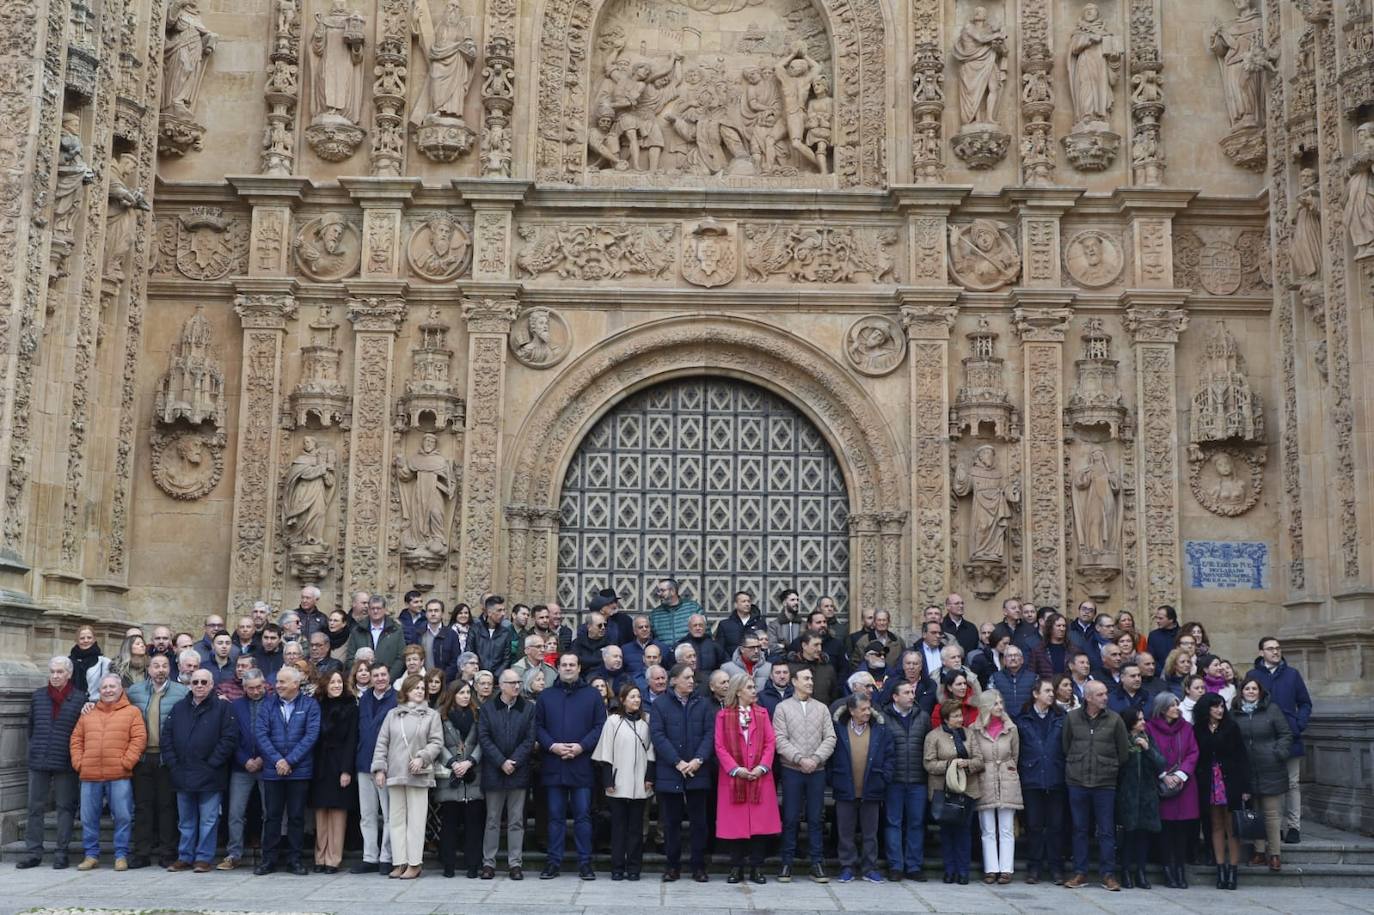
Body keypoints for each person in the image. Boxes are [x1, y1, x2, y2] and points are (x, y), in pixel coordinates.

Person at [535, 652, 607, 880]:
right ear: (558, 668)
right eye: (564, 664)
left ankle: (585, 863)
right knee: (555, 817)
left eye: (572, 664)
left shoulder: (592, 695)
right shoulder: (546, 696)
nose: (568, 668)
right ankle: (553, 862)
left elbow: (599, 726)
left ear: (579, 668)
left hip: (582, 764)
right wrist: (552, 746)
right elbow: (537, 727)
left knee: (583, 817)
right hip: (554, 763)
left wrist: (581, 746)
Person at [161, 668, 237, 872]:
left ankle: (203, 858)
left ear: (212, 685)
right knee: (186, 821)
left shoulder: (222, 708)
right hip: (182, 773)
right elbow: (166, 738)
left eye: (204, 682)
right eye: (196, 682)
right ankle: (185, 856)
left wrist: (213, 763)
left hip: (211, 774)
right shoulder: (178, 708)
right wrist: (173, 764)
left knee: (209, 820)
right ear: (190, 685)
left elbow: (228, 739)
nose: (200, 686)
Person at [70, 674, 146, 871]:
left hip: (119, 774)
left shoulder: (132, 712)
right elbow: (76, 740)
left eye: (112, 686)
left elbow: (138, 739)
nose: (108, 690)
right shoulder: (88, 713)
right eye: (104, 687)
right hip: (90, 774)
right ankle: (91, 855)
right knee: (88, 818)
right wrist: (80, 763)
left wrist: (126, 763)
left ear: (121, 689)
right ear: (99, 690)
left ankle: (121, 855)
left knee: (122, 816)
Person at [372, 673, 443, 879]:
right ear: (406, 691)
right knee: (396, 820)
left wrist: (422, 758)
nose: (420, 691)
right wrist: (379, 769)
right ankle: (399, 862)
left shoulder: (432, 715)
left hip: (418, 774)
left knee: (417, 820)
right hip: (395, 773)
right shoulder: (392, 714)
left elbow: (436, 743)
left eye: (422, 688)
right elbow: (382, 743)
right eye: (416, 688)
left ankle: (414, 863)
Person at [18, 657, 86, 870]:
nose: (55, 676)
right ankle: (33, 852)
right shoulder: (38, 697)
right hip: (39, 759)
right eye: (53, 672)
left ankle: (61, 852)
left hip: (66, 760)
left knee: (65, 807)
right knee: (34, 807)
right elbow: (31, 727)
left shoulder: (80, 698)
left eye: (60, 672)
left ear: (69, 674)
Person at [1061, 680, 1130, 890]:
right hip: (1077, 781)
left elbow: (1123, 752)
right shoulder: (1072, 718)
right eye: (1100, 694)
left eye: (1105, 693)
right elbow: (1066, 746)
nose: (1105, 697)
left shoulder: (1115, 719)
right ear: (1088, 697)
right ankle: (1080, 872)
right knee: (1079, 828)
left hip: (1104, 783)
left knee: (1106, 830)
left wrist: (1109, 767)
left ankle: (1108, 874)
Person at [650, 663, 714, 882]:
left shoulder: (703, 704)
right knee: (671, 823)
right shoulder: (660, 704)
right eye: (686, 677)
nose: (691, 681)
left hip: (698, 770)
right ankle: (672, 866)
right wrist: (677, 762)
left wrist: (697, 760)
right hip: (670, 771)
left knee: (699, 823)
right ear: (674, 680)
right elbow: (658, 736)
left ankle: (698, 866)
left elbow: (709, 735)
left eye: (692, 677)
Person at [714, 672, 780, 885]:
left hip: (759, 777)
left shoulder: (762, 713)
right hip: (734, 779)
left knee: (760, 826)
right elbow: (720, 746)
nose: (754, 691)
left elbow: (771, 743)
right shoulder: (723, 716)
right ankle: (736, 867)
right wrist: (735, 769)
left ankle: (757, 867)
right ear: (739, 690)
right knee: (736, 827)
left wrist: (762, 767)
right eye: (750, 687)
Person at [772, 666, 836, 883]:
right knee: (790, 818)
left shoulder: (822, 708)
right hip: (792, 771)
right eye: (806, 678)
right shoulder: (782, 708)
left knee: (816, 818)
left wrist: (816, 759)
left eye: (811, 678)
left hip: (817, 771)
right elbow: (779, 739)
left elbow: (830, 738)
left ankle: (816, 863)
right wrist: (800, 759)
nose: (810, 682)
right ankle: (786, 862)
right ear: (794, 681)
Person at [254, 666, 320, 876]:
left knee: (296, 817)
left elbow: (311, 736)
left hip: (299, 770)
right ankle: (269, 860)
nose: (278, 685)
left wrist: (289, 761)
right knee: (272, 816)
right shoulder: (267, 705)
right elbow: (261, 735)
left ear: (296, 684)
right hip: (274, 771)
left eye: (283, 682)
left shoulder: (310, 705)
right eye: (278, 681)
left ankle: (295, 860)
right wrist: (278, 761)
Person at [1246, 635, 1312, 844]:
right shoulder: (1253, 675)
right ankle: (1271, 827)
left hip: (1290, 736)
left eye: (1278, 648)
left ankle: (1293, 827)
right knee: (1267, 785)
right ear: (1261, 652)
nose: (1275, 652)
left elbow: (1305, 703)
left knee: (1292, 783)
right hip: (1263, 739)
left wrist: (1298, 723)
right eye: (1270, 648)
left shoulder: (1292, 675)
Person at [125, 654, 187, 868]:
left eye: (164, 666)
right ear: (149, 669)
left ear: (170, 669)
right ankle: (141, 852)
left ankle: (167, 852)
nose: (160, 670)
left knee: (167, 806)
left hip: (166, 757)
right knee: (142, 806)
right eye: (156, 666)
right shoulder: (135, 691)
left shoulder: (181, 692)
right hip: (142, 757)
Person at [592, 683, 655, 881]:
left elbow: (651, 753)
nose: (636, 700)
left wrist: (649, 778)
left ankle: (634, 867)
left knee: (636, 828)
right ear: (623, 699)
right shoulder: (613, 722)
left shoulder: (646, 723)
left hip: (640, 784)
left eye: (638, 696)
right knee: (618, 828)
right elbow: (605, 751)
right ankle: (617, 867)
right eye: (632, 696)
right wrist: (608, 780)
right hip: (618, 782)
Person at [477, 668, 535, 879]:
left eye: (519, 682)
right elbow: (484, 738)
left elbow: (530, 739)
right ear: (501, 686)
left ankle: (515, 864)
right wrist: (501, 761)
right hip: (494, 770)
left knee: (516, 820)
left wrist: (514, 761)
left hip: (518, 772)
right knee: (492, 819)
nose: (517, 686)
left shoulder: (527, 708)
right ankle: (488, 863)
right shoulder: (488, 708)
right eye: (512, 683)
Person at [828, 693, 892, 884]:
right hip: (845, 788)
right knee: (845, 831)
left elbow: (890, 756)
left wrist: (883, 778)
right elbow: (830, 758)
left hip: (872, 788)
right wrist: (834, 779)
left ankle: (869, 868)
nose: (867, 712)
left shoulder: (880, 729)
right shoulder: (838, 729)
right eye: (863, 709)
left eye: (868, 708)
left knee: (870, 833)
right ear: (852, 711)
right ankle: (847, 866)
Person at [1233, 675, 1292, 871]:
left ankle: (1274, 853)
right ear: (1241, 692)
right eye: (1247, 689)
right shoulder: (1235, 713)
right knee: (1255, 814)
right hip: (1247, 769)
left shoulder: (1271, 710)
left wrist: (1278, 753)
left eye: (1254, 689)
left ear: (1260, 692)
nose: (1250, 692)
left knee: (1271, 814)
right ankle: (1258, 852)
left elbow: (1285, 734)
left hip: (1271, 767)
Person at [1194, 691, 1251, 890]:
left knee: (1231, 827)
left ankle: (1233, 870)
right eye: (1215, 706)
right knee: (1215, 825)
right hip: (1208, 781)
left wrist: (1245, 787)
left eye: (1221, 706)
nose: (1219, 710)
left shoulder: (1231, 727)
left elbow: (1242, 757)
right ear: (1206, 709)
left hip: (1230, 781)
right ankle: (1220, 869)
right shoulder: (1199, 729)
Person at [924, 697, 983, 884]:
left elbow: (980, 760)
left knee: (963, 832)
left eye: (961, 715)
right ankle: (949, 870)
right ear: (946, 718)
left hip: (967, 790)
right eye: (956, 716)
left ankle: (963, 871)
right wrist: (950, 765)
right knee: (947, 833)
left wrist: (966, 764)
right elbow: (929, 763)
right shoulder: (933, 736)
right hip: (944, 792)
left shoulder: (970, 734)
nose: (960, 719)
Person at [1145, 691, 1199, 888]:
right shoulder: (1149, 728)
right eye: (1172, 705)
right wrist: (1163, 776)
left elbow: (1193, 752)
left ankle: (1180, 870)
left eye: (1177, 704)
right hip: (1161, 785)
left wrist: (1180, 775)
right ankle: (1168, 870)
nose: (1176, 708)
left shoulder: (1187, 728)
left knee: (1182, 831)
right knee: (1166, 831)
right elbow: (1150, 753)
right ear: (1162, 708)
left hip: (1184, 785)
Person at [1016, 678, 1065, 884]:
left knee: (1056, 826)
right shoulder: (1023, 719)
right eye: (1047, 691)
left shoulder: (1061, 718)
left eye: (1052, 691)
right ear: (1036, 694)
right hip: (1032, 778)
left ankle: (1056, 868)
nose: (1052, 694)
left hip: (1056, 778)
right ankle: (1033, 868)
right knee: (1034, 826)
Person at [882, 678, 932, 881]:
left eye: (912, 692)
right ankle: (895, 866)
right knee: (893, 823)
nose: (912, 696)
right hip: (894, 780)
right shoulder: (883, 717)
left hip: (918, 780)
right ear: (895, 696)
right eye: (907, 693)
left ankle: (914, 866)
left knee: (916, 823)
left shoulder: (923, 717)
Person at [970, 688, 1020, 884]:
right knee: (987, 828)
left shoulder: (1011, 728)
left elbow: (1015, 755)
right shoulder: (975, 730)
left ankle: (1006, 869)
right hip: (985, 779)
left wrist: (1008, 771)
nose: (1000, 707)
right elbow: (975, 754)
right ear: (986, 707)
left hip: (1007, 779)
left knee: (1006, 827)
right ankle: (991, 868)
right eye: (995, 703)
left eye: (1001, 703)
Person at [435, 680, 484, 879]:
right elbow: (437, 743)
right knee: (449, 824)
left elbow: (483, 741)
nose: (465, 696)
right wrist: (453, 762)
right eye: (461, 692)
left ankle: (473, 865)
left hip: (474, 775)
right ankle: (448, 865)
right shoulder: (440, 716)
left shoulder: (479, 715)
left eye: (467, 692)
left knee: (474, 824)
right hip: (450, 776)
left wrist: (471, 761)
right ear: (452, 694)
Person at [310, 668, 358, 874]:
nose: (337, 685)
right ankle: (319, 857)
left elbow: (351, 741)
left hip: (340, 763)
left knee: (338, 813)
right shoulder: (316, 706)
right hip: (320, 764)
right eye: (332, 682)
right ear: (325, 685)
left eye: (340, 682)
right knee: (321, 812)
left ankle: (333, 859)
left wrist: (346, 770)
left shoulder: (351, 707)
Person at [220, 668, 267, 870]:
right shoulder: (236, 706)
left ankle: (268, 852)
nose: (256, 691)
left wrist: (264, 758)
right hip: (241, 766)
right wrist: (244, 759)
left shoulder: (273, 703)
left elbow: (276, 734)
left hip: (268, 765)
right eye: (251, 688)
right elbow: (231, 737)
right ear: (244, 688)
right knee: (236, 812)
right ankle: (234, 853)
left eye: (259, 687)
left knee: (269, 812)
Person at [352, 661, 396, 874]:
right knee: (367, 814)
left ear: (389, 676)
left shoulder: (397, 699)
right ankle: (370, 856)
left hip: (387, 765)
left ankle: (387, 857)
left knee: (389, 813)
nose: (379, 678)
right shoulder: (363, 699)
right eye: (375, 675)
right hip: (363, 762)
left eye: (383, 674)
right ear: (369, 678)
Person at [1116, 708, 1164, 889]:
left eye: (1143, 719)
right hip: (1128, 794)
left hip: (1146, 794)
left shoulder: (1148, 739)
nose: (1143, 722)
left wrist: (1147, 749)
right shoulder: (1122, 740)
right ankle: (1126, 870)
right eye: (1139, 720)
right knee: (1129, 833)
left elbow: (1160, 763)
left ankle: (1141, 872)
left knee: (1144, 834)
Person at [347, 595, 405, 679]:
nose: (375, 611)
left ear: (384, 609)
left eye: (378, 608)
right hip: (363, 682)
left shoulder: (396, 630)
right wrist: (361, 676)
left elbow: (401, 657)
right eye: (372, 608)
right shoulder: (358, 630)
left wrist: (388, 677)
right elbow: (350, 658)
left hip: (387, 680)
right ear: (368, 610)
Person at [878, 649, 937, 714]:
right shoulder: (892, 683)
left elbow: (926, 707)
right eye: (908, 663)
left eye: (915, 664)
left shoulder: (929, 685)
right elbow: (884, 705)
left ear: (920, 667)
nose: (911, 667)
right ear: (903, 666)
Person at [787, 632, 838, 706]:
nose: (819, 649)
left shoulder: (828, 669)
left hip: (822, 713)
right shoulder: (791, 668)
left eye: (820, 645)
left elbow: (834, 695)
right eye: (816, 645)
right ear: (804, 645)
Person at [651, 577, 702, 646]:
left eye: (662, 591)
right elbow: (651, 640)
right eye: (659, 591)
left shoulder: (693, 608)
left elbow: (705, 634)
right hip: (665, 655)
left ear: (672, 591)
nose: (659, 594)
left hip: (689, 654)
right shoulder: (655, 615)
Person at [715, 590, 764, 659]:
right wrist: (729, 663)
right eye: (743, 601)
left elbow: (764, 646)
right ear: (736, 604)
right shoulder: (725, 625)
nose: (747, 604)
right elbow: (720, 648)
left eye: (749, 601)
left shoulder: (760, 623)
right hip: (731, 665)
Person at [991, 644, 1035, 715]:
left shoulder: (1034, 678)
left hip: (1028, 720)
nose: (1013, 658)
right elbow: (990, 701)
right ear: (1004, 661)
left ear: (1022, 660)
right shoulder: (995, 677)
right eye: (1009, 656)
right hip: (1003, 720)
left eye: (1016, 655)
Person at [1029, 612, 1069, 677]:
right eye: (1058, 626)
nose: (1062, 629)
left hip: (1067, 686)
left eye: (1064, 626)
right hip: (1046, 685)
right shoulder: (1038, 650)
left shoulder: (1072, 649)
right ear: (1050, 628)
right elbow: (1031, 673)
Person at [70, 626, 103, 692]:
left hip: (95, 700)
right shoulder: (69, 661)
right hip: (73, 700)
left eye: (89, 638)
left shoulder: (103, 662)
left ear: (94, 639)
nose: (86, 640)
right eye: (82, 638)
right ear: (77, 640)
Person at [1147, 604, 1180, 671]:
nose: (1157, 621)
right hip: (1160, 676)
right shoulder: (1153, 635)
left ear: (1171, 619)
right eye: (1157, 618)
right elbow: (1151, 658)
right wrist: (1162, 674)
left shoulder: (1183, 633)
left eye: (1161, 618)